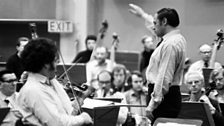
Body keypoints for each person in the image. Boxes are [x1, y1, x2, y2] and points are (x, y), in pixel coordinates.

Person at [129, 4, 187, 123]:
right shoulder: (174, 38)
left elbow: (164, 77)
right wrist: (143, 15)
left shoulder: (170, 44)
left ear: (164, 21)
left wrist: (152, 105)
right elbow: (155, 28)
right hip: (166, 97)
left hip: (163, 100)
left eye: (156, 23)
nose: (153, 27)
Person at [16, 37, 92, 126]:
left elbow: (63, 111)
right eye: (55, 61)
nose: (57, 66)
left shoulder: (48, 82)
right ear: (46, 65)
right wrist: (82, 118)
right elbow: (56, 123)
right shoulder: (34, 90)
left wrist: (77, 102)